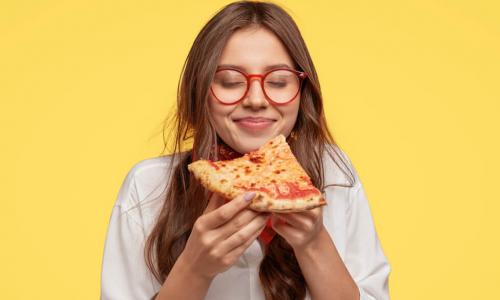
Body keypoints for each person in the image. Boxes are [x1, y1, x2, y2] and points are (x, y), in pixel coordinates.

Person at [100, 1, 391, 299]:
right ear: (199, 90)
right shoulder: (147, 185)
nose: (255, 98)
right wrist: (194, 268)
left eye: (278, 81)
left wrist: (314, 243)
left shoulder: (334, 171)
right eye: (230, 81)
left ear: (302, 92)